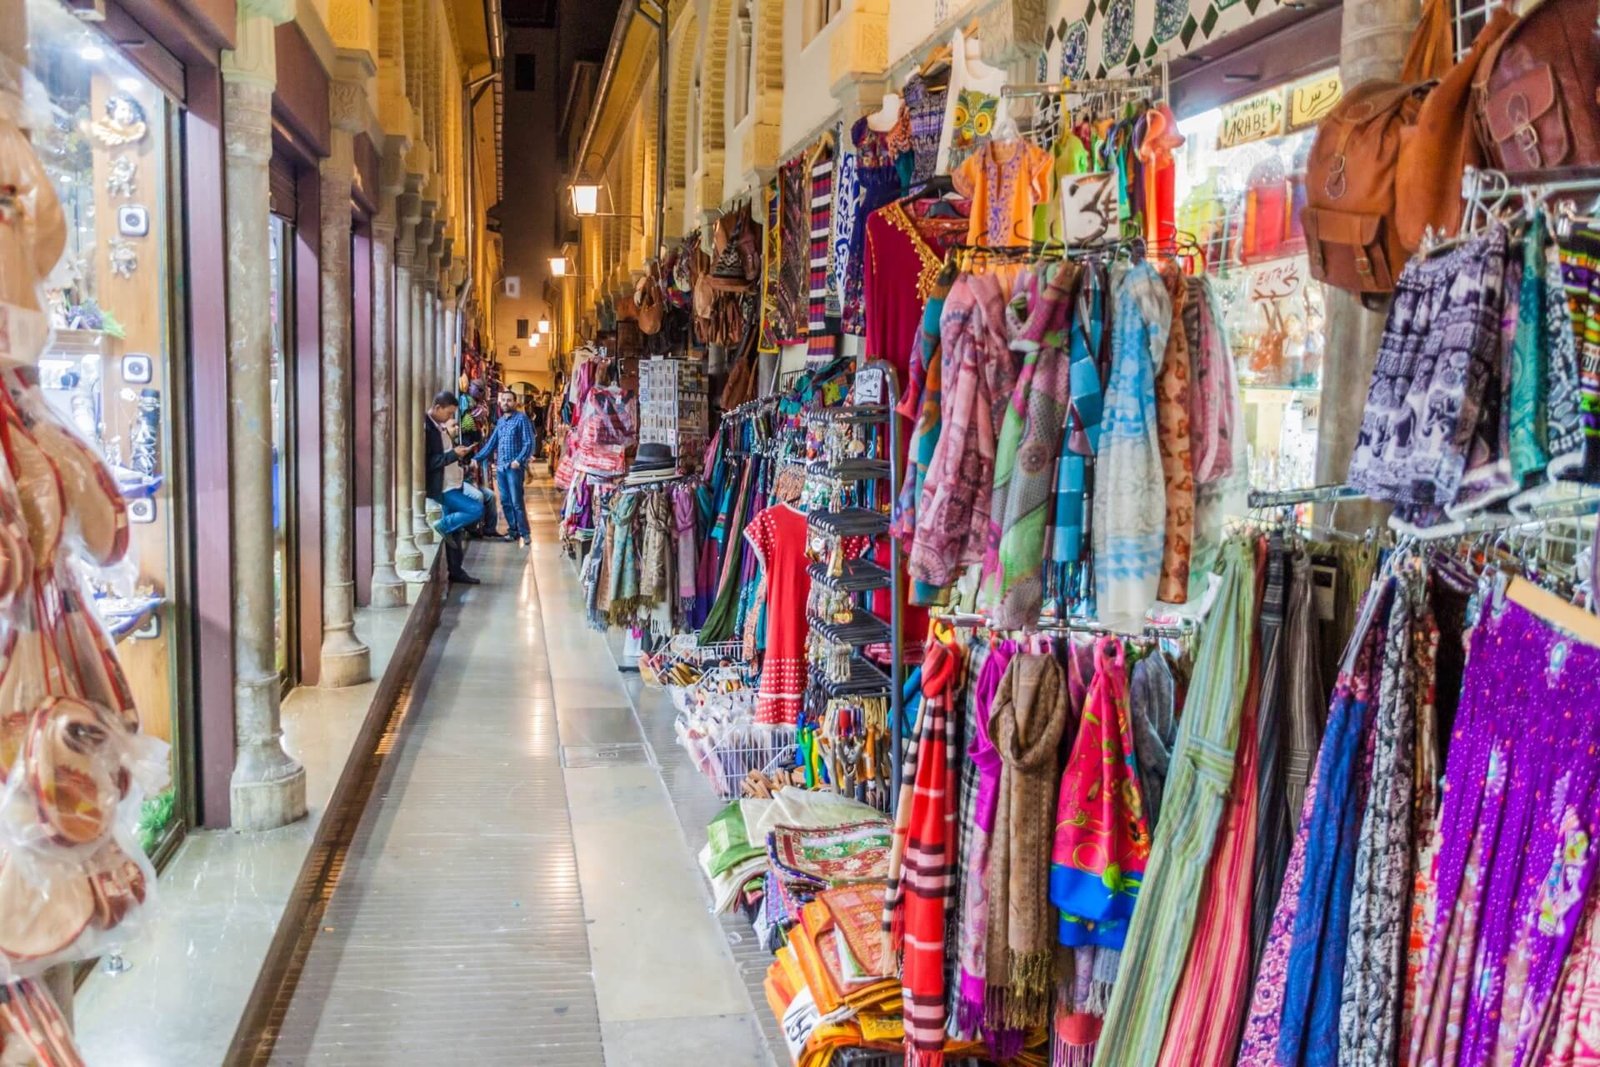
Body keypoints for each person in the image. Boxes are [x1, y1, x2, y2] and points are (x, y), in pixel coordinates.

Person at [424, 390, 482, 584]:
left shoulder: (438, 427)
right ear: (438, 407)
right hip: (442, 486)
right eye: (448, 414)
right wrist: (453, 455)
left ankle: (456, 571)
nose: (450, 418)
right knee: (475, 508)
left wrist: (459, 454)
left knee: (455, 533)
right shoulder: (427, 429)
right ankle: (442, 525)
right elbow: (428, 462)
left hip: (453, 483)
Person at [472, 389, 535, 546]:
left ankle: (525, 532)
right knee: (505, 501)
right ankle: (513, 530)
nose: (506, 403)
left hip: (514, 468)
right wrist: (476, 458)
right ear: (500, 402)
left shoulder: (521, 419)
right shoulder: (500, 422)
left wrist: (519, 460)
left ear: (515, 402)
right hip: (501, 467)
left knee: (517, 501)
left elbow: (529, 442)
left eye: (509, 400)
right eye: (504, 400)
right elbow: (492, 443)